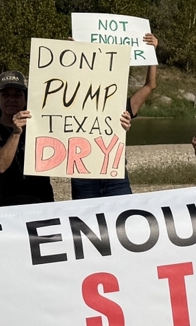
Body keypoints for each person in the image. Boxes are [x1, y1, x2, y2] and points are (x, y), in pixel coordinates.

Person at [68, 31, 160, 201]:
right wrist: (72, 52)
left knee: (123, 225)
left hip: (115, 177)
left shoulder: (121, 106)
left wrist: (151, 52)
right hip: (83, 178)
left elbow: (150, 85)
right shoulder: (73, 106)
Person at [0, 73, 54, 207]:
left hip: (41, 204)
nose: (11, 99)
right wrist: (16, 133)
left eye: (17, 95)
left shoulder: (41, 128)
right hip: (3, 208)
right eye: (5, 95)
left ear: (25, 100)